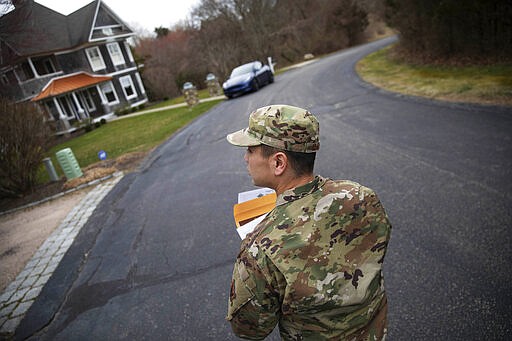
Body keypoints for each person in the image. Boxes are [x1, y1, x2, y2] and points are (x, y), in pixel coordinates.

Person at [225, 104, 392, 340]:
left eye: (251, 150)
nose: (245, 158)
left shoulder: (260, 247)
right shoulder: (361, 196)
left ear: (278, 162)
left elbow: (249, 328)